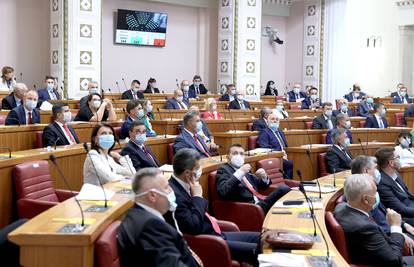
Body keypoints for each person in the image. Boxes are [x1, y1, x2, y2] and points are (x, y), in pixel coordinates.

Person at [166, 148, 261, 266]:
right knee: (259, 251)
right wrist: (197, 197)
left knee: (261, 239)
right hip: (208, 241)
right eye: (198, 168)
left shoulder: (186, 184)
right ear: (187, 173)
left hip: (216, 232)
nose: (200, 170)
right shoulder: (174, 194)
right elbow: (192, 226)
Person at [117, 168, 200, 267]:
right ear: (152, 196)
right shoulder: (151, 226)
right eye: (166, 187)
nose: (171, 190)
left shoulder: (136, 215)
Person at [334, 173, 414, 266]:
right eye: (375, 192)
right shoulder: (365, 228)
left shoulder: (340, 207)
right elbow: (394, 260)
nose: (377, 195)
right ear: (366, 200)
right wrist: (395, 227)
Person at [351, 156, 414, 241]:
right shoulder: (363, 196)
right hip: (390, 236)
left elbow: (385, 211)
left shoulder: (370, 189)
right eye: (375, 168)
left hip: (395, 227)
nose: (377, 171)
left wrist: (404, 224)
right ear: (366, 171)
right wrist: (400, 233)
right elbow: (379, 226)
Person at [216, 144, 291, 213]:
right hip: (249, 208)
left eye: (242, 154)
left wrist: (264, 177)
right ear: (227, 157)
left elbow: (263, 187)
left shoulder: (246, 168)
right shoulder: (224, 170)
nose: (239, 156)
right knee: (283, 189)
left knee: (287, 196)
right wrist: (240, 173)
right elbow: (223, 191)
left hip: (261, 202)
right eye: (235, 153)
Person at [376, 147, 414, 224]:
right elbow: (401, 209)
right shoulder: (382, 183)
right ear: (391, 163)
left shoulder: (395, 173)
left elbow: (408, 195)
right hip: (404, 217)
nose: (400, 160)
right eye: (398, 157)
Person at [256, 113, 293, 178]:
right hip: (276, 157)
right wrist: (280, 154)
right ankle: (289, 182)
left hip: (286, 155)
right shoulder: (264, 132)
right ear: (267, 121)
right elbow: (265, 148)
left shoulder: (280, 132)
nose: (275, 121)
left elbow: (285, 146)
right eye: (272, 119)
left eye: (277, 119)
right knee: (291, 164)